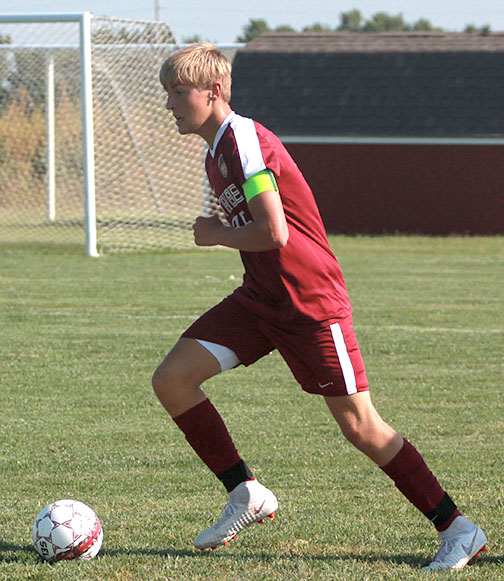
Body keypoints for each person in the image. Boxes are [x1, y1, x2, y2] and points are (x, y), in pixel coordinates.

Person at [153, 42, 487, 570]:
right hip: (262, 299)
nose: (169, 104)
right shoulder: (215, 149)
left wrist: (214, 233)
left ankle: (458, 529)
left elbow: (273, 231)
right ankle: (245, 493)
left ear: (213, 92)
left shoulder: (242, 141)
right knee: (172, 378)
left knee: (362, 428)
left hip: (309, 302)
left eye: (177, 92)